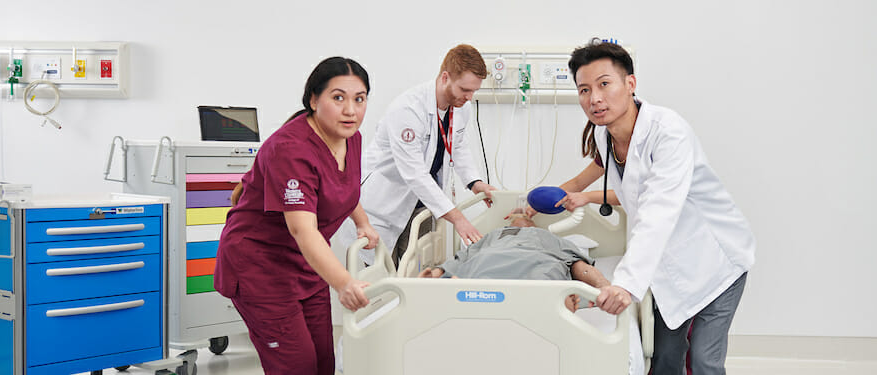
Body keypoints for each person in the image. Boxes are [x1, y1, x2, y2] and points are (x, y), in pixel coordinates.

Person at [552, 41, 756, 375]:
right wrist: (530, 206)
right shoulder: (606, 137)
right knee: (664, 361)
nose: (595, 98)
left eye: (605, 84)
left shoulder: (668, 133)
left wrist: (626, 284)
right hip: (668, 264)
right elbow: (591, 184)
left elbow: (659, 209)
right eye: (584, 89)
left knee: (704, 361)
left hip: (715, 260)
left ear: (630, 84)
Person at [213, 57, 378, 375]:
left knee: (323, 363)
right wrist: (344, 282)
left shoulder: (350, 139)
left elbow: (341, 188)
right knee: (296, 366)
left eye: (359, 99)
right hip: (259, 268)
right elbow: (303, 230)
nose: (350, 110)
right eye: (338, 97)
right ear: (314, 100)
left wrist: (363, 222)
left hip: (306, 266)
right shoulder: (291, 150)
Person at [416, 211, 644, 375]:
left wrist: (604, 287)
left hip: (539, 269)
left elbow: (578, 265)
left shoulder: (548, 238)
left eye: (526, 218)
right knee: (474, 276)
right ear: (508, 221)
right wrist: (436, 273)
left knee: (543, 284)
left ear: (534, 225)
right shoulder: (492, 236)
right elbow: (462, 257)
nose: (521, 218)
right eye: (516, 217)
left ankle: (491, 312)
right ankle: (480, 305)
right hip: (487, 266)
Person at [351, 44, 497, 267]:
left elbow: (457, 146)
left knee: (418, 276)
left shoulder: (460, 107)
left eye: (474, 91)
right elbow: (414, 173)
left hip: (421, 205)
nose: (469, 97)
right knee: (381, 285)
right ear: (445, 77)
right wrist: (458, 219)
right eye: (465, 89)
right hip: (384, 205)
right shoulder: (407, 110)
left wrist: (475, 183)